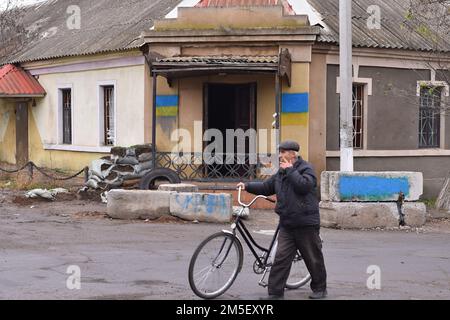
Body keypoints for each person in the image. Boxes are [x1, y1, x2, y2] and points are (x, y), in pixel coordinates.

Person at [237, 140, 327, 300]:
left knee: (313, 258)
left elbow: (304, 186)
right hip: (287, 223)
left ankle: (320, 289)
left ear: (293, 154)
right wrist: (247, 186)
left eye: (283, 152)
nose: (279, 155)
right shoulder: (281, 173)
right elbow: (267, 187)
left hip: (305, 223)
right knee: (281, 258)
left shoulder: (306, 169)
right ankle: (275, 293)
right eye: (280, 151)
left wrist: (291, 170)